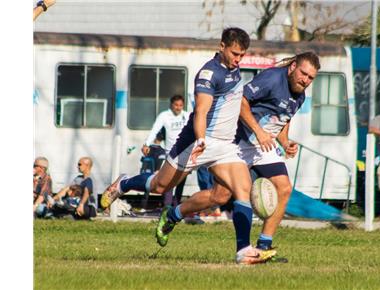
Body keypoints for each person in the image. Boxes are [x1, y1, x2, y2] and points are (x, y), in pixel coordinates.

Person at [100, 27, 276, 264]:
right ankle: (124, 183)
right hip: (196, 142)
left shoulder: (234, 70)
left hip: (225, 146)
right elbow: (201, 111)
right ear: (221, 46)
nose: (238, 59)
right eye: (235, 54)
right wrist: (201, 139)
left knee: (236, 190)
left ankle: (243, 250)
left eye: (242, 55)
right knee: (161, 185)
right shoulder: (208, 74)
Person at [160, 51, 320, 261]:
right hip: (239, 141)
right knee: (220, 196)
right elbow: (241, 102)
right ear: (292, 67)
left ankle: (263, 246)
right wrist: (259, 132)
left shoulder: (300, 96)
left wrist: (285, 141)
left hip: (262, 147)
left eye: (310, 78)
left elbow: (282, 119)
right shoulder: (272, 78)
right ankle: (173, 214)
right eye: (303, 74)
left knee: (284, 188)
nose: (305, 80)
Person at [142, 95, 189, 207]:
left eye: (181, 105)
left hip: (185, 153)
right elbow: (155, 129)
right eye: (176, 105)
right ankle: (167, 207)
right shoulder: (164, 116)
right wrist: (147, 143)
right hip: (171, 153)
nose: (178, 108)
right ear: (171, 105)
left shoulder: (186, 116)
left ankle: (177, 207)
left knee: (181, 181)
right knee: (169, 181)